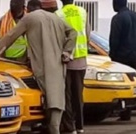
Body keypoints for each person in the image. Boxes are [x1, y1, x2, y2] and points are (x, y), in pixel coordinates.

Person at [0, 0, 77, 133]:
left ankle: (52, 128)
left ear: (28, 9)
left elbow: (11, 35)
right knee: (56, 97)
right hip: (58, 64)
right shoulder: (56, 18)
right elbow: (73, 32)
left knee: (48, 96)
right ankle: (54, 128)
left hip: (40, 65)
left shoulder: (29, 18)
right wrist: (67, 51)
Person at [55, 0, 90, 133]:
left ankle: (70, 128)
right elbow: (87, 34)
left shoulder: (58, 14)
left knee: (66, 95)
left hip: (66, 60)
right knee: (78, 95)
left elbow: (58, 38)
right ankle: (80, 126)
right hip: (81, 59)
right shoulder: (82, 12)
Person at [109, 0, 136, 121]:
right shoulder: (134, 15)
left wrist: (112, 56)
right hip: (134, 55)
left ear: (117, 4)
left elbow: (114, 39)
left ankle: (125, 113)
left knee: (123, 86)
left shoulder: (118, 18)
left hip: (122, 58)